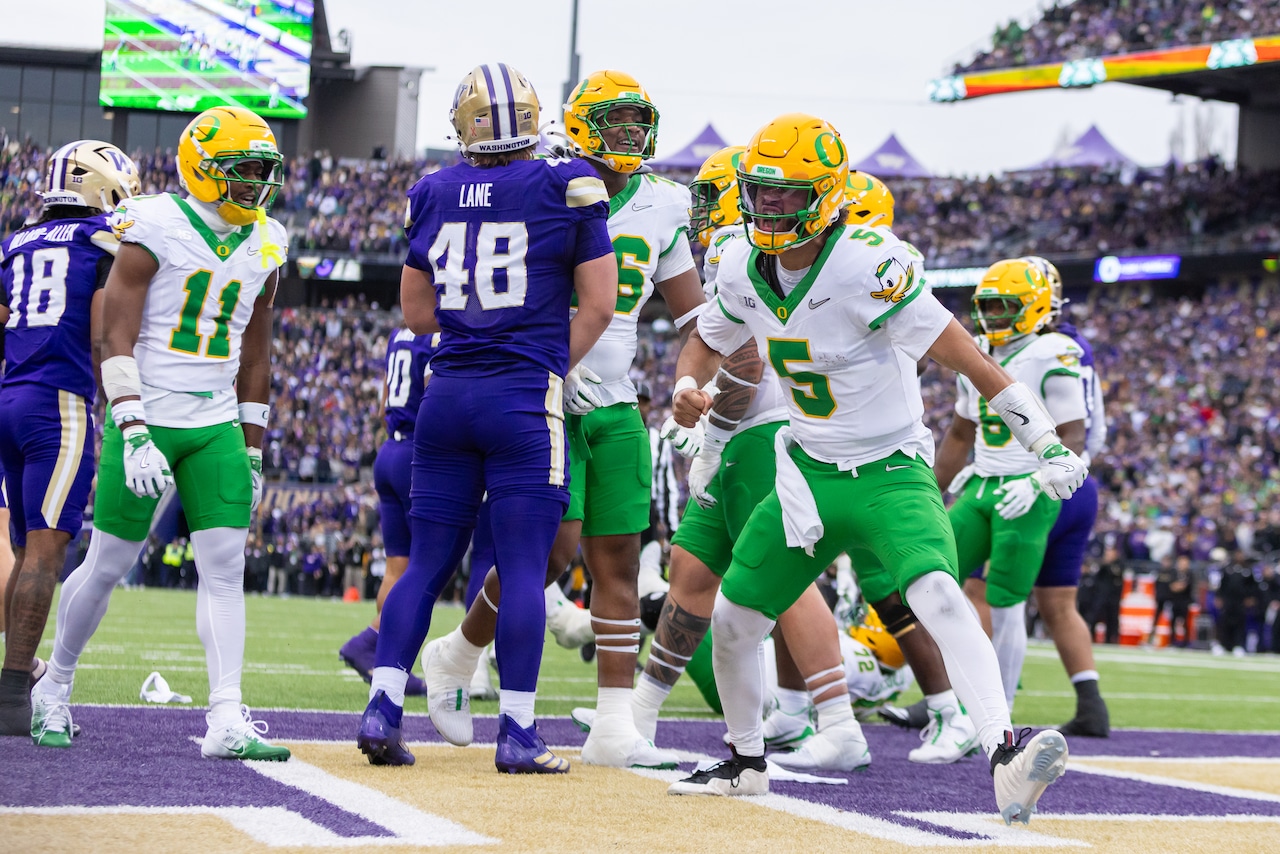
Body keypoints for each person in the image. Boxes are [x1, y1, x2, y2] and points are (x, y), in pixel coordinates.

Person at [664, 113, 1083, 827]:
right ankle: (744, 761)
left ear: (827, 195)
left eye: (788, 193)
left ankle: (1003, 753)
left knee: (939, 595)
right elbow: (708, 339)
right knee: (733, 618)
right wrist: (686, 385)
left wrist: (1044, 440)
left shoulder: (868, 264)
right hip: (805, 472)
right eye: (760, 190)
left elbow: (970, 360)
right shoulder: (737, 264)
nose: (769, 205)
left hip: (889, 468)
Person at [421, 69, 706, 770]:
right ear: (579, 127)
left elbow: (695, 318)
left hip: (616, 398)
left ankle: (613, 724)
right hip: (541, 389)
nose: (630, 137)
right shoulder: (543, 182)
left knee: (619, 557)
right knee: (551, 553)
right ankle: (458, 651)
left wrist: (691, 384)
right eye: (615, 124)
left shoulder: (665, 204)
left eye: (638, 124)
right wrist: (553, 368)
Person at [574, 144, 876, 773]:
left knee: (781, 575)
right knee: (689, 571)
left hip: (763, 431)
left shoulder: (744, 251)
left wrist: (711, 434)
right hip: (747, 433)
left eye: (713, 195)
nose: (703, 208)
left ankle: (839, 722)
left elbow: (745, 359)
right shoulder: (744, 250)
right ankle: (641, 711)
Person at [356, 62, 617, 773]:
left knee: (425, 564)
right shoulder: (567, 183)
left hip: (447, 397)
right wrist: (543, 361)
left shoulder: (432, 191)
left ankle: (382, 707)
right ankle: (518, 732)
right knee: (523, 567)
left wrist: (476, 329)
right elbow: (600, 304)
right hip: (522, 398)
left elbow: (416, 313)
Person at [29, 107, 291, 761]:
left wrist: (253, 446)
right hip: (147, 413)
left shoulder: (268, 241)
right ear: (203, 170)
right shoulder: (153, 224)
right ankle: (54, 685)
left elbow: (257, 356)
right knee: (108, 564)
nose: (256, 183)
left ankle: (226, 714)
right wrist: (133, 426)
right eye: (244, 170)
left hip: (215, 424)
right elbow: (112, 335)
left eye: (263, 170)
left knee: (226, 570)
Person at [0, 141, 140, 740]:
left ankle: (15, 678)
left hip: (10, 397)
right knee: (46, 551)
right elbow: (103, 333)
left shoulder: (15, 243)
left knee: (26, 549)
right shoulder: (102, 239)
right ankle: (13, 697)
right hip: (58, 403)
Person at [942, 256, 1111, 736]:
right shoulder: (982, 347)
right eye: (988, 306)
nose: (994, 316)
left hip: (1046, 483)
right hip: (1013, 481)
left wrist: (1039, 479)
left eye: (1005, 306)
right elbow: (962, 430)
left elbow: (1076, 434)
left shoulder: (1057, 350)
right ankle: (1089, 704)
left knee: (996, 595)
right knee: (1054, 602)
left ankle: (984, 707)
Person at [337, 326, 439, 696]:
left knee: (397, 567)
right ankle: (375, 647)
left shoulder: (398, 335)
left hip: (389, 453)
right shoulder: (436, 336)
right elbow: (435, 403)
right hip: (416, 454)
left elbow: (383, 409)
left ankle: (384, 659)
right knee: (428, 566)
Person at [1152, 553, 1195, 648]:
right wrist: (1179, 586)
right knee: (1172, 622)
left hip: (1185, 601)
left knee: (1185, 622)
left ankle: (1186, 643)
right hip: (1174, 600)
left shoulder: (1190, 574)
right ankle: (1172, 642)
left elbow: (1185, 586)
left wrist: (1179, 586)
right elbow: (1172, 587)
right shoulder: (1173, 573)